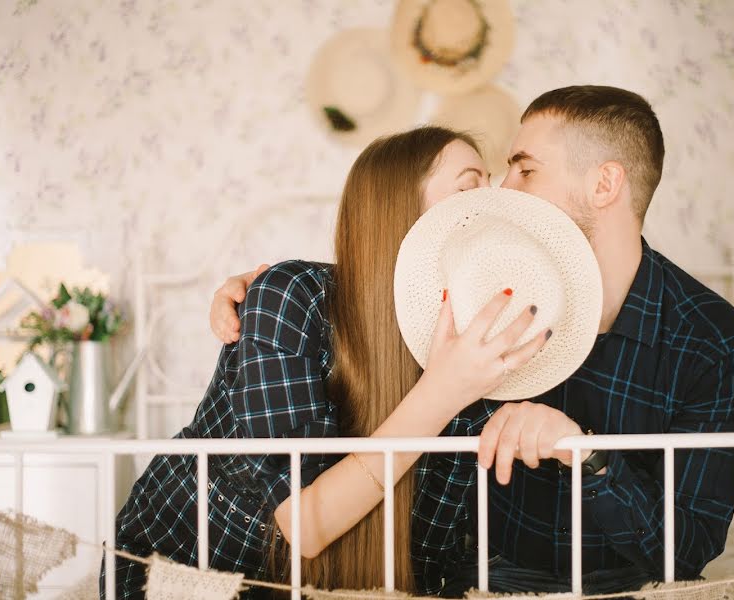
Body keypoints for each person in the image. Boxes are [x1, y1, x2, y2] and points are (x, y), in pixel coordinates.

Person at [209, 85, 734, 596]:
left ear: (604, 184)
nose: (503, 193)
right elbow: (375, 292)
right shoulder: (470, 307)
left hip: (616, 583)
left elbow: (688, 555)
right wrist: (263, 297)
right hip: (467, 576)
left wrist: (586, 454)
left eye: (524, 171)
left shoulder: (716, 346)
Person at [101, 126, 551, 599]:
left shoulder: (483, 349)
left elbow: (439, 553)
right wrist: (442, 392)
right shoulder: (293, 299)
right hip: (187, 577)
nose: (493, 201)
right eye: (468, 185)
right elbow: (304, 524)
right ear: (398, 210)